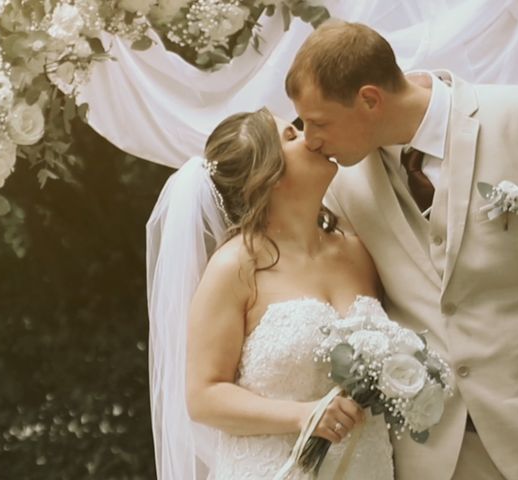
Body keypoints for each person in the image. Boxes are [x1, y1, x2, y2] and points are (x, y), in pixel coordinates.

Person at [285, 20, 518, 480]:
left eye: (319, 122)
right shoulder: (340, 181)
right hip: (434, 452)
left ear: (369, 100)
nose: (311, 140)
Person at [146, 107, 395, 479]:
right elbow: (204, 397)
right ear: (269, 177)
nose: (311, 138)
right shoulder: (235, 268)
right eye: (291, 137)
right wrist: (303, 415)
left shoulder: (357, 252)